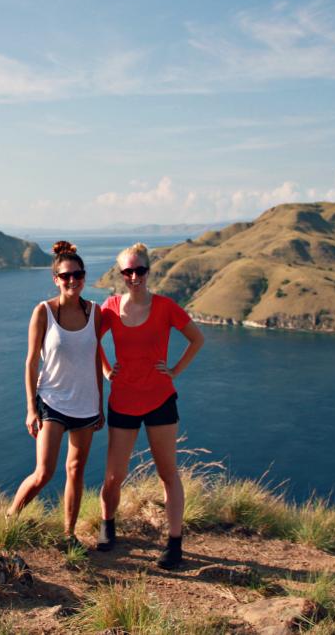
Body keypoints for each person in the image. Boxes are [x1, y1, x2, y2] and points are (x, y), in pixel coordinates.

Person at [96, 242, 205, 568]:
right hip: (123, 401)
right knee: (114, 475)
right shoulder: (111, 308)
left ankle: (174, 543)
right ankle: (107, 524)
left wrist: (173, 370)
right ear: (120, 274)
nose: (133, 276)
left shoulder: (166, 307)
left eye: (139, 270)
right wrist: (105, 369)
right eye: (126, 271)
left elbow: (196, 339)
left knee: (167, 473)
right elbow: (92, 341)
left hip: (160, 399)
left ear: (148, 271)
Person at [7, 241, 104, 543]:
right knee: (43, 473)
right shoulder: (43, 312)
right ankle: (10, 519)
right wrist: (30, 409)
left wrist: (101, 405)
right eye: (66, 276)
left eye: (78, 275)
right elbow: (31, 361)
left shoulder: (95, 312)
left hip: (86, 405)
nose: (72, 281)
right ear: (56, 279)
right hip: (52, 402)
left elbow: (95, 359)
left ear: (84, 276)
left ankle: (69, 534)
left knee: (75, 471)